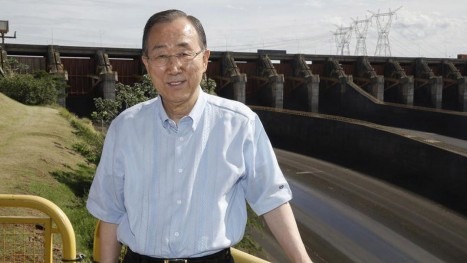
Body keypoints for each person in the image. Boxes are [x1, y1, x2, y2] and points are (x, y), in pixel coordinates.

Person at [87, 9, 312, 263]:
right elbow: (109, 214)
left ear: (204, 59)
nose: (174, 67)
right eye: (161, 55)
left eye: (184, 53)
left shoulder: (239, 124)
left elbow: (272, 200)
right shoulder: (124, 128)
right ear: (147, 64)